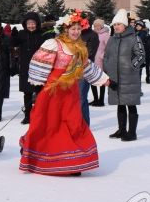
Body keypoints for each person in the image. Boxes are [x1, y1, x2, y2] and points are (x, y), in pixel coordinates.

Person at [19, 10, 109, 175]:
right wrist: (38, 87)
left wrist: (106, 81)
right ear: (66, 29)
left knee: (74, 124)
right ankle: (35, 152)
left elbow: (87, 67)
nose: (75, 32)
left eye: (78, 29)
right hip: (52, 92)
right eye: (72, 29)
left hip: (71, 93)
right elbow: (38, 63)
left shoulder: (80, 49)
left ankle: (75, 160)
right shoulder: (55, 44)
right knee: (48, 125)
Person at [104, 10, 145, 140]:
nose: (116, 26)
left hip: (129, 78)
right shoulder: (111, 39)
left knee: (130, 104)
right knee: (120, 103)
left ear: (125, 25)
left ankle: (132, 132)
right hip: (114, 78)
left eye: (119, 24)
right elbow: (106, 56)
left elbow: (141, 55)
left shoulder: (134, 38)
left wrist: (131, 66)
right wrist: (106, 69)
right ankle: (121, 130)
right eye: (114, 24)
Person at [12, 11, 45, 124]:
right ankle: (28, 116)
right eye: (29, 23)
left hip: (39, 69)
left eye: (33, 23)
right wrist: (13, 36)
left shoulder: (42, 34)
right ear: (25, 24)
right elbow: (12, 43)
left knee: (40, 94)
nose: (31, 25)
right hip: (26, 69)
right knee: (27, 93)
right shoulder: (22, 34)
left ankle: (40, 116)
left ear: (37, 23)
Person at [89, 18, 109, 106]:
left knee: (101, 80)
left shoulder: (105, 34)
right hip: (91, 60)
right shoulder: (92, 34)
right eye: (95, 25)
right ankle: (95, 99)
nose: (96, 27)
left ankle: (101, 100)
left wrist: (102, 56)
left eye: (98, 25)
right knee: (92, 80)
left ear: (102, 26)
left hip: (100, 61)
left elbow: (109, 47)